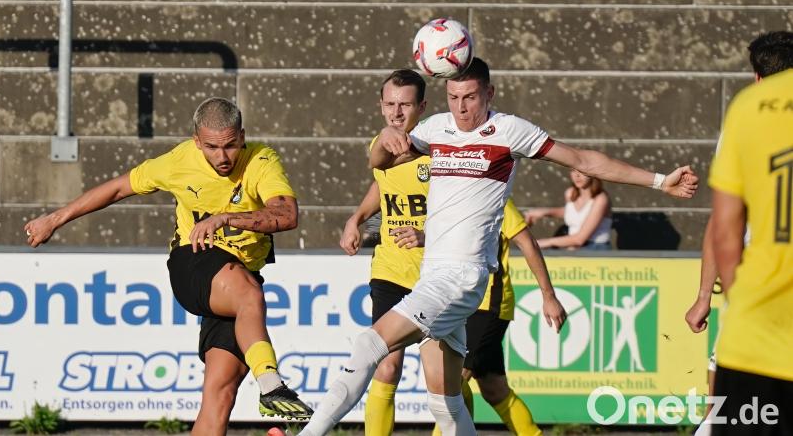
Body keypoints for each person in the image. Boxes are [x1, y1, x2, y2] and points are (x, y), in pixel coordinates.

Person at [299, 57, 698, 436]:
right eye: (454, 97)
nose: (461, 107)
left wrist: (661, 181)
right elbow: (379, 161)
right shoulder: (437, 128)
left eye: (470, 97)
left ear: (489, 93)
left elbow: (583, 159)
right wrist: (384, 140)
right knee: (446, 401)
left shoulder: (509, 131)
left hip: (462, 277)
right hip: (433, 277)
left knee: (370, 345)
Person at [24, 97, 313, 435]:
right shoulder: (179, 161)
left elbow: (287, 215)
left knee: (219, 396)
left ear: (242, 135)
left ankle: (267, 388)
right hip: (193, 262)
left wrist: (226, 218)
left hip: (238, 276)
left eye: (231, 146)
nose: (222, 157)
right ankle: (272, 387)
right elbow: (118, 188)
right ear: (196, 142)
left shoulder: (262, 160)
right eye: (212, 148)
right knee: (251, 297)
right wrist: (54, 219)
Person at [685, 30, 792, 436]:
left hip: (759, 303)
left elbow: (725, 228)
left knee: (730, 416)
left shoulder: (748, 112)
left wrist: (711, 297)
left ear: (758, 77)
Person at [340, 69, 430, 436]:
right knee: (386, 364)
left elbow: (462, 211)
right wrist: (356, 218)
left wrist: (426, 233)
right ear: (380, 106)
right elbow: (380, 174)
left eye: (405, 104)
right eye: (390, 104)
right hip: (391, 271)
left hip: (435, 275)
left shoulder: (437, 150)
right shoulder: (383, 141)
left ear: (422, 106)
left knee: (443, 377)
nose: (397, 112)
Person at [433, 198, 566, 436]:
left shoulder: (497, 198)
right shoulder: (453, 195)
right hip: (461, 304)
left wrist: (549, 296)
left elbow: (528, 243)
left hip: (487, 305)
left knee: (451, 383)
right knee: (494, 389)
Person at [525, 169, 612, 250]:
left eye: (582, 171)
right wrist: (544, 212)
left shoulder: (601, 199)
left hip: (596, 249)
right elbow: (572, 213)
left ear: (592, 173)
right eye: (573, 170)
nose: (577, 175)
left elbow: (579, 239)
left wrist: (543, 243)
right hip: (573, 249)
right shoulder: (570, 193)